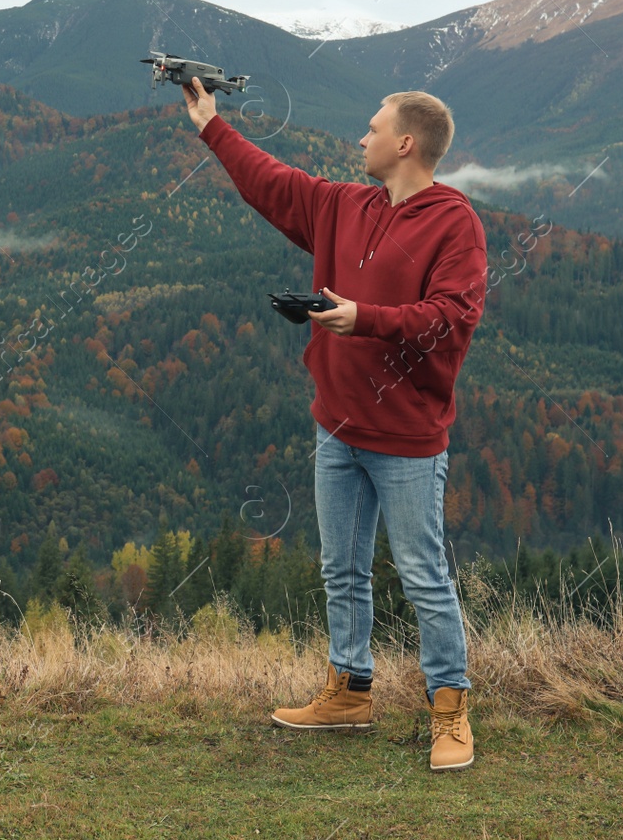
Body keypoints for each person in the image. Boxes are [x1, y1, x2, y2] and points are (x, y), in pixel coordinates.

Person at [181, 76, 487, 772]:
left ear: (405, 143)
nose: (361, 137)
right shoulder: (345, 204)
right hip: (337, 425)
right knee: (341, 568)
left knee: (423, 575)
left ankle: (451, 710)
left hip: (407, 439)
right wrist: (211, 124)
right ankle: (349, 690)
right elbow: (273, 183)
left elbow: (452, 316)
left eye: (373, 127)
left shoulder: (456, 223)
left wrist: (363, 319)